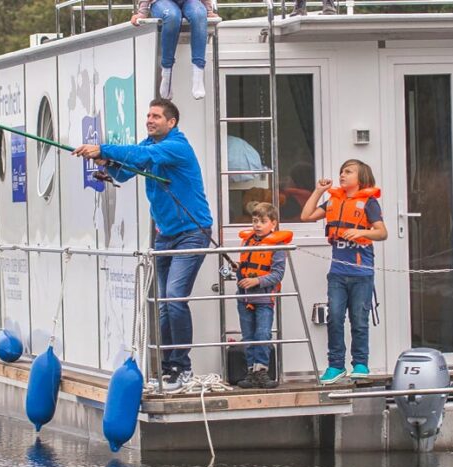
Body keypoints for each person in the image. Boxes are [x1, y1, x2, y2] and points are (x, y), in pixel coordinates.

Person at [72, 99, 213, 391]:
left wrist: (104, 149)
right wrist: (106, 162)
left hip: (192, 231)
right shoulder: (149, 144)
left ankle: (182, 368)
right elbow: (125, 172)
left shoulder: (177, 146)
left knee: (174, 297)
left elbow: (140, 155)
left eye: (156, 116)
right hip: (166, 233)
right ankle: (165, 369)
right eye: (148, 115)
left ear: (171, 122)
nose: (150, 120)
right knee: (162, 305)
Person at [300, 159, 388, 384]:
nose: (342, 175)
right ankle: (335, 365)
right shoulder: (333, 200)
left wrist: (362, 233)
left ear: (361, 178)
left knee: (359, 320)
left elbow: (382, 233)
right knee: (335, 318)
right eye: (341, 171)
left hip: (362, 275)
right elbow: (306, 216)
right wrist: (319, 191)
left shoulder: (369, 203)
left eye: (348, 172)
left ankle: (360, 363)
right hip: (337, 274)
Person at [236, 202, 290, 389]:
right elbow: (242, 268)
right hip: (244, 297)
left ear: (273, 223)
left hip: (264, 298)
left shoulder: (277, 246)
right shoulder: (247, 242)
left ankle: (262, 371)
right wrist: (240, 275)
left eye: (263, 221)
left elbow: (277, 274)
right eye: (255, 221)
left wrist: (257, 281)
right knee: (248, 336)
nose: (257, 225)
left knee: (262, 334)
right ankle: (251, 371)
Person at [131, 1, 219, 100]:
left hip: (190, 2)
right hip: (162, 2)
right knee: (172, 16)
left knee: (199, 14)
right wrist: (143, 11)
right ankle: (166, 73)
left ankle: (198, 75)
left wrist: (208, 10)